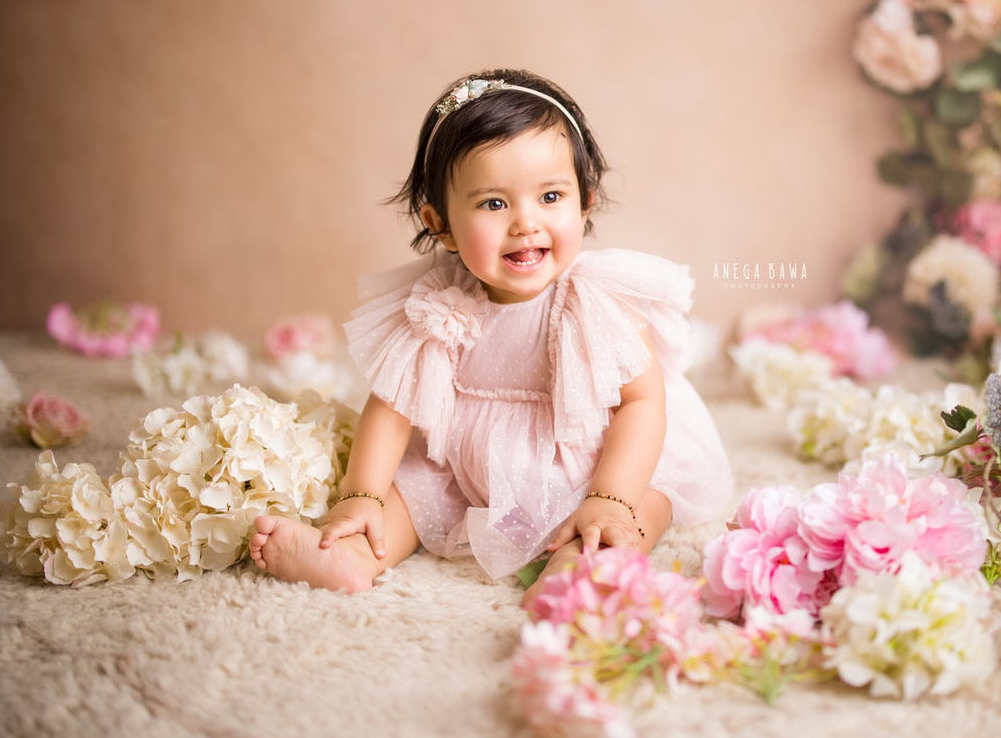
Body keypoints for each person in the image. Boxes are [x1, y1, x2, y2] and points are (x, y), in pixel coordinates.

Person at [248, 69, 733, 605]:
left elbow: (642, 404)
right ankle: (351, 553)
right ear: (441, 224)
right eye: (494, 204)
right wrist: (360, 493)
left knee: (642, 505)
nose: (526, 223)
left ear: (585, 202)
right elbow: (391, 406)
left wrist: (610, 497)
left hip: (598, 462)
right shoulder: (437, 303)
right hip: (472, 467)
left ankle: (582, 571)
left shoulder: (595, 303)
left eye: (551, 196)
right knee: (413, 489)